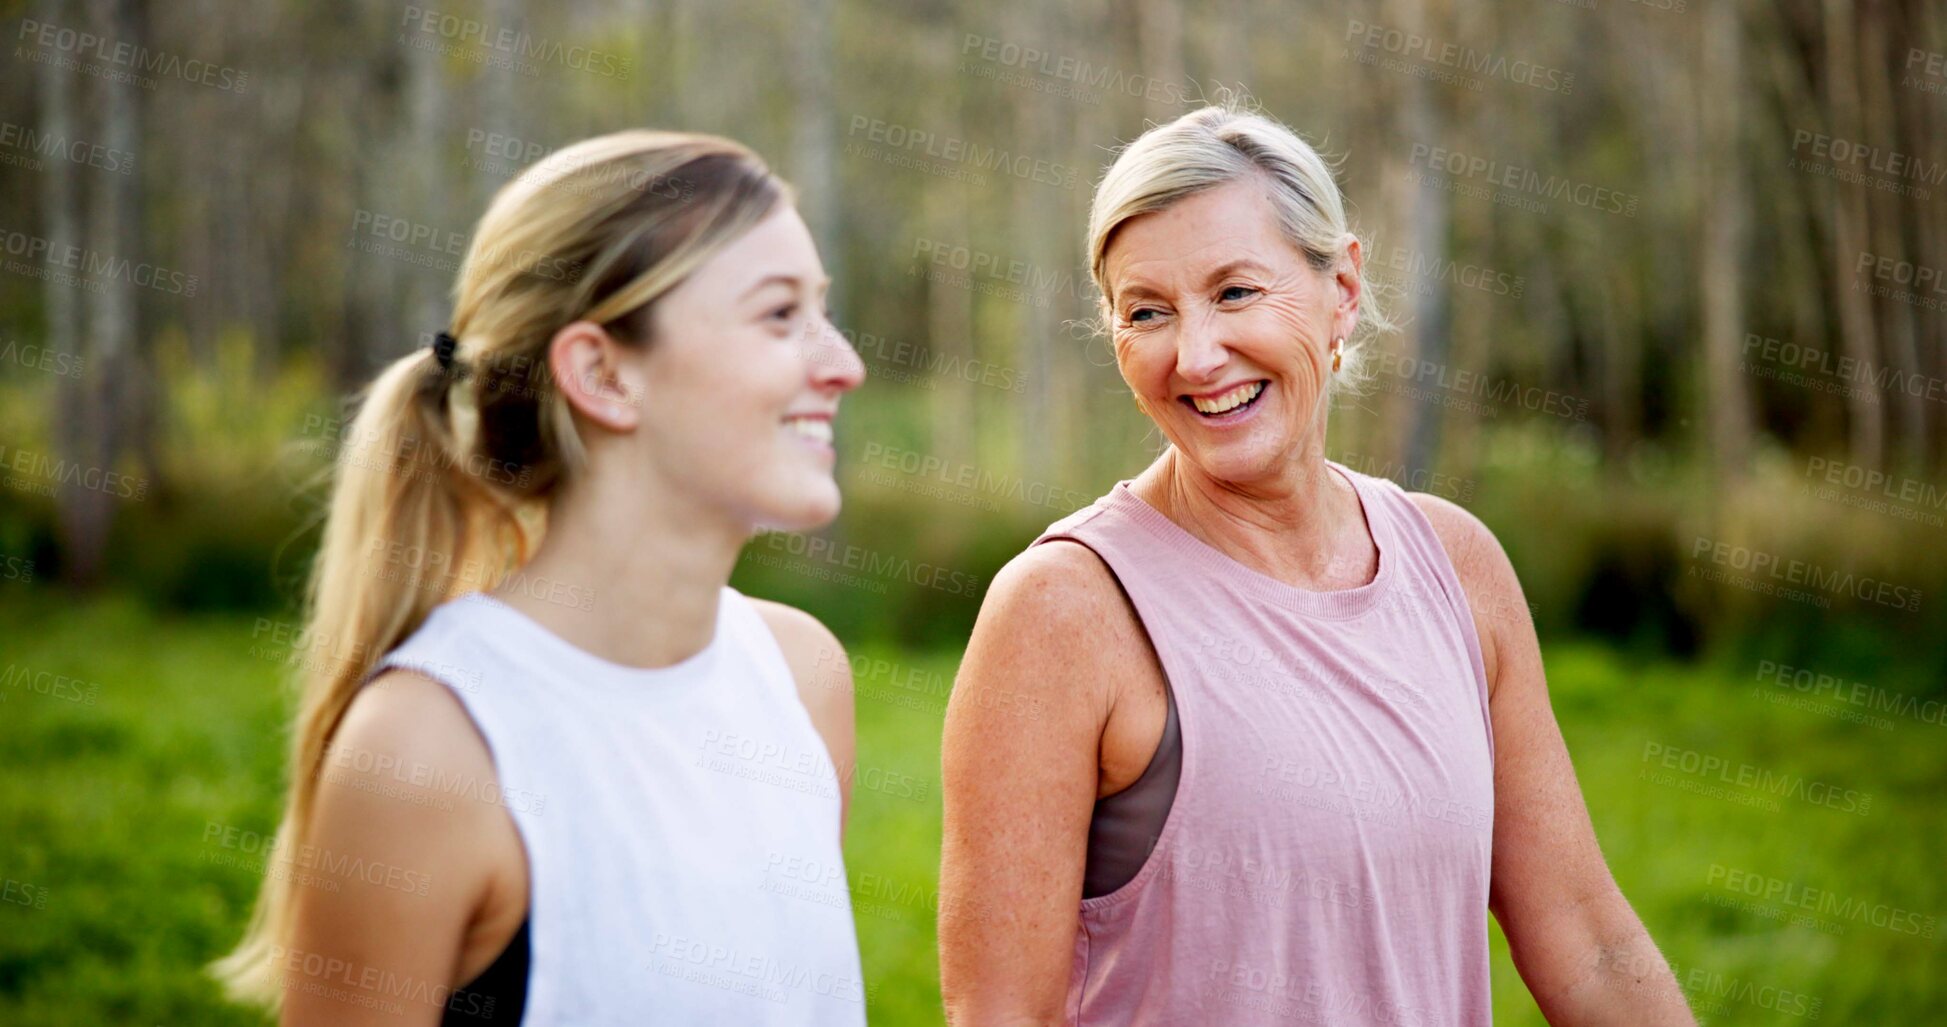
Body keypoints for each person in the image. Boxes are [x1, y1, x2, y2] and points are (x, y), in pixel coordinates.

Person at [939, 104, 1695, 1026]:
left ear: (1340, 286)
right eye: (1147, 312)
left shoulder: (1456, 564)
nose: (1197, 354)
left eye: (1235, 293)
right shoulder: (1062, 608)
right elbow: (998, 1015)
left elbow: (1582, 930)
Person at [214, 130, 871, 1025]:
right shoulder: (430, 749)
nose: (843, 364)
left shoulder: (802, 676)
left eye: (820, 311)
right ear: (602, 373)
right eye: (778, 315)